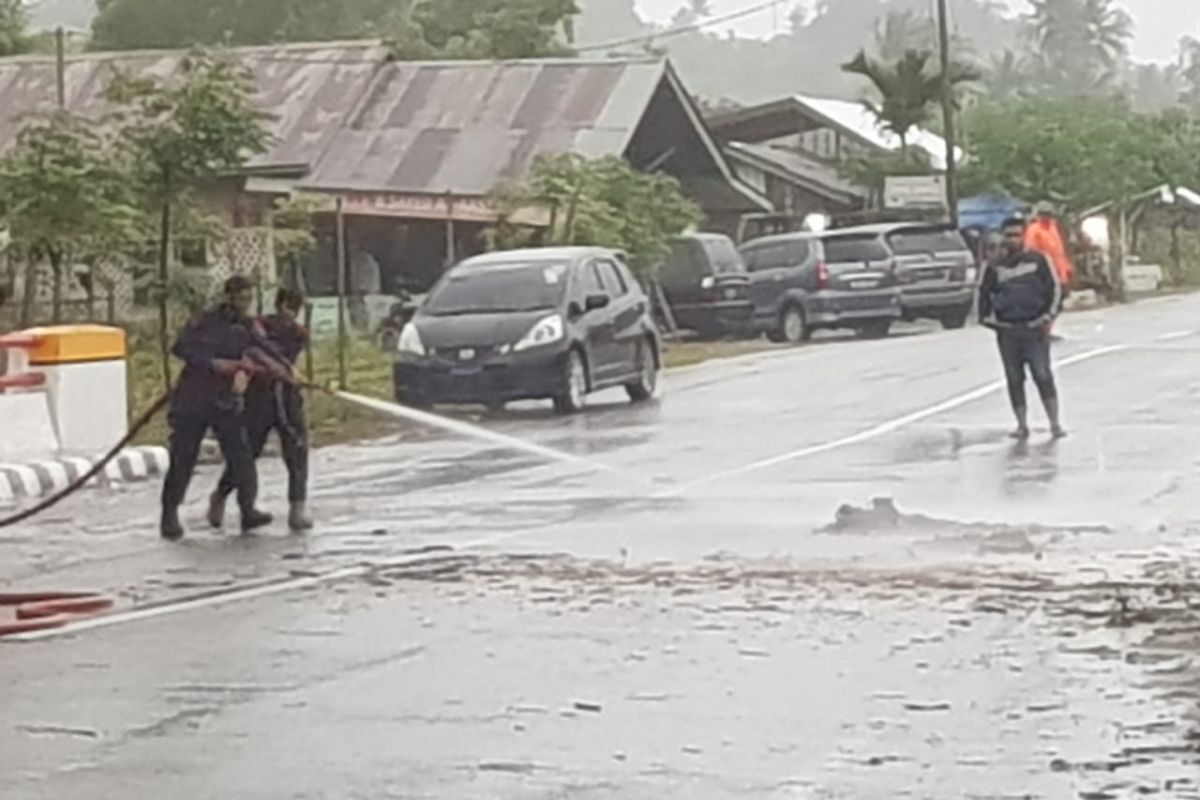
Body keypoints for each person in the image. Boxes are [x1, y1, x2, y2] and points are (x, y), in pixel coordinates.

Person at [160, 276, 275, 541]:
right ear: (229, 297)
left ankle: (248, 509)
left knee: (242, 457)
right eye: (241, 298)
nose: (246, 304)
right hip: (194, 399)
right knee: (183, 459)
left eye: (249, 298)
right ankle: (169, 515)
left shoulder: (247, 326)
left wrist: (271, 366)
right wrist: (214, 364)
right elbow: (181, 348)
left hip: (225, 401)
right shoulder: (204, 322)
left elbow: (262, 349)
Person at [208, 288, 313, 532]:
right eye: (287, 307)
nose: (290, 314)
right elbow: (253, 354)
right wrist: (275, 370)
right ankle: (222, 495)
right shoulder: (258, 327)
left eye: (294, 310)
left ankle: (297, 507)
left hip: (287, 399)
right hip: (259, 398)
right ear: (278, 306)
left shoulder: (299, 334)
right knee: (248, 453)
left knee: (296, 450)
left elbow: (291, 363)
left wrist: (293, 378)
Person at [978, 216, 1066, 441]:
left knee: (1042, 374)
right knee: (1014, 379)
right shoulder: (995, 267)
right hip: (1008, 332)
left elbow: (1054, 289)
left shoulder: (1038, 260)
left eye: (1017, 235)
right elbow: (983, 295)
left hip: (1035, 330)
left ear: (1024, 235)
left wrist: (1047, 317)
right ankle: (1021, 425)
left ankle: (1054, 423)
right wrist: (990, 321)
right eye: (1008, 235)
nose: (1012, 240)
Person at [1025, 201, 1074, 289]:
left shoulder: (1053, 226)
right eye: (1043, 213)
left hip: (1060, 270)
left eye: (1048, 213)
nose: (1046, 216)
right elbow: (1032, 251)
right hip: (1045, 269)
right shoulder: (1033, 229)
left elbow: (1060, 250)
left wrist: (1066, 267)